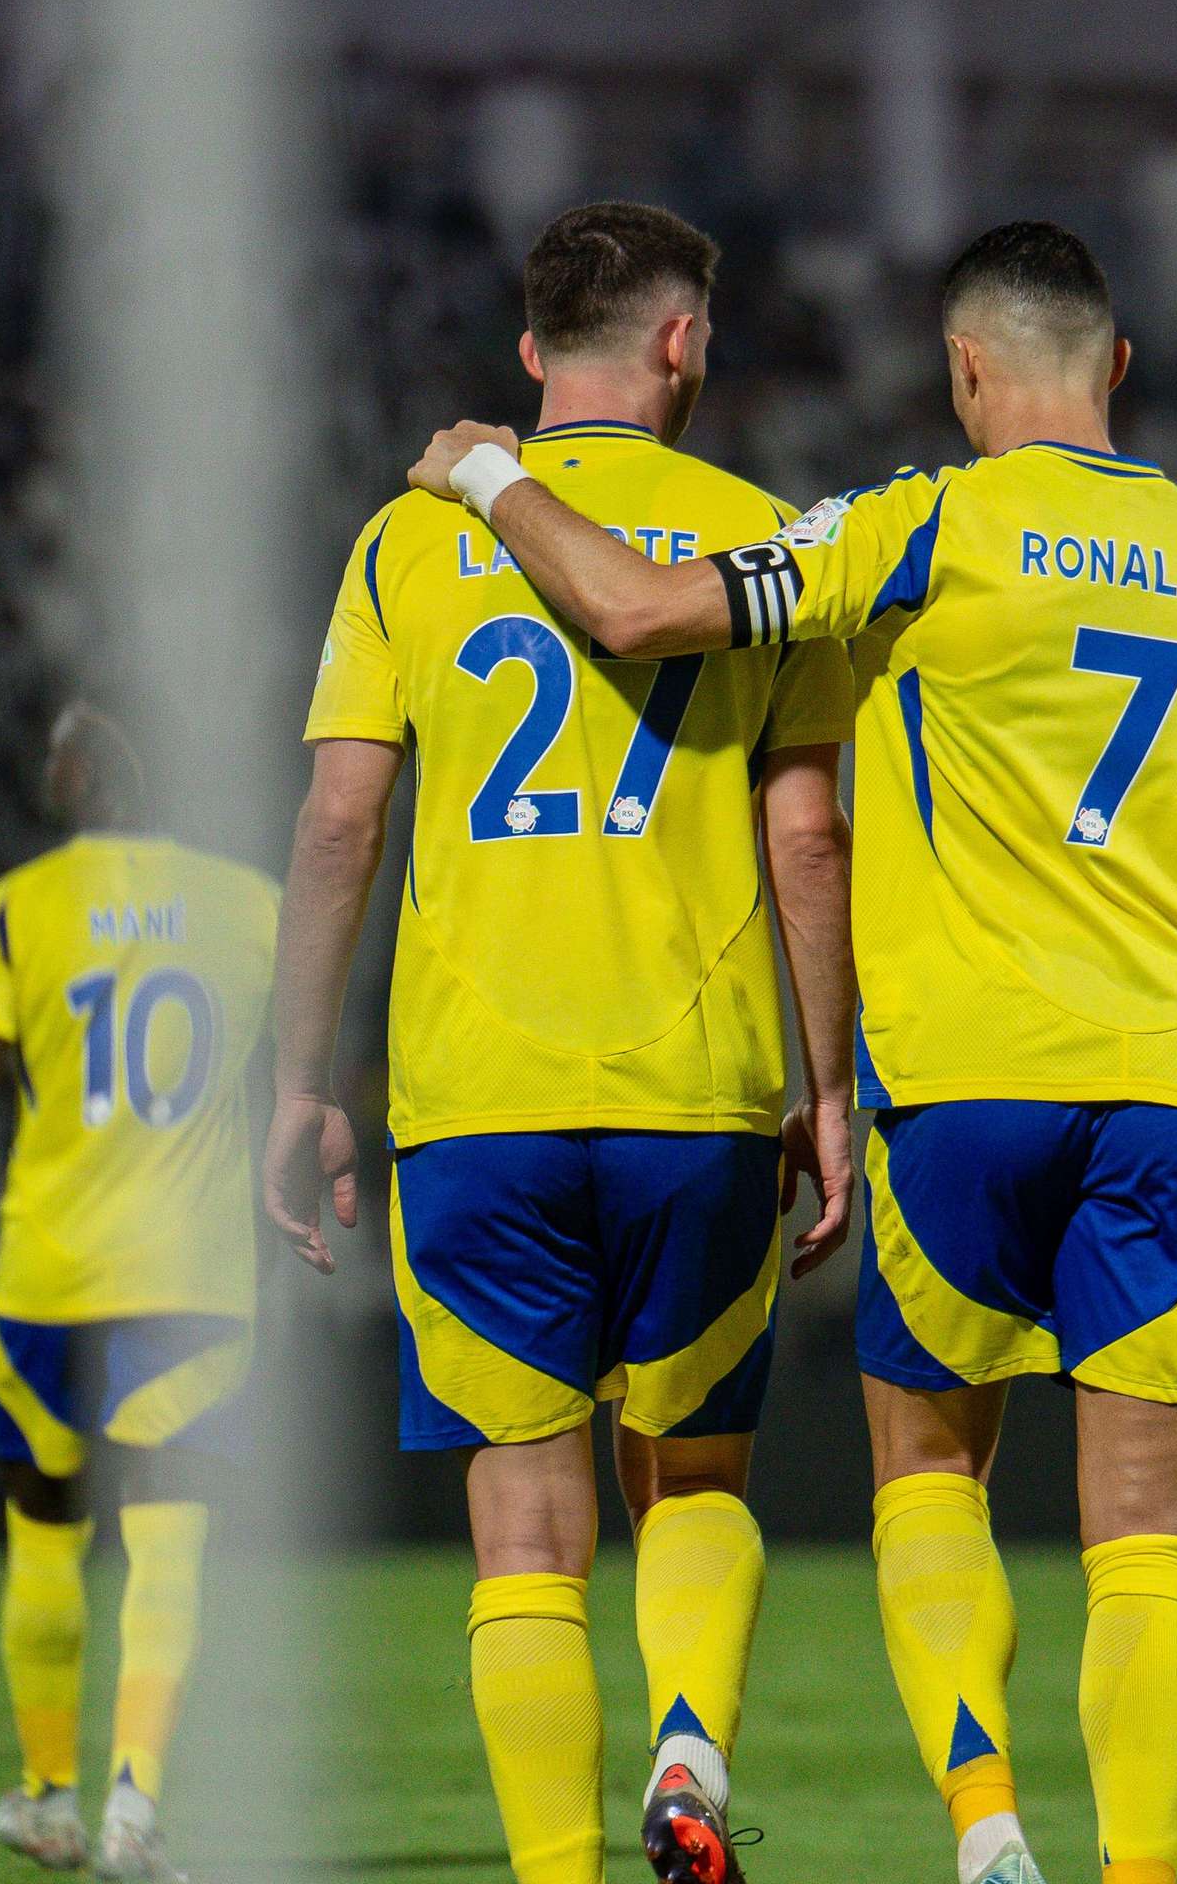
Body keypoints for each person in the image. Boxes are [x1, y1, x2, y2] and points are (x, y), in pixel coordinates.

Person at [414, 219, 1177, 1884]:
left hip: (961, 1086)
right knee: (1143, 1544)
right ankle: (1137, 1871)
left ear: (963, 368)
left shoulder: (911, 531)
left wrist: (484, 478)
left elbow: (632, 608)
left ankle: (984, 1828)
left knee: (927, 1463)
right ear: (1116, 367)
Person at [273, 202, 859, 1884]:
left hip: (477, 1095)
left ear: (534, 354)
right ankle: (688, 1750)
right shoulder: (766, 539)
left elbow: (334, 825)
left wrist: (303, 1083)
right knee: (692, 1475)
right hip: (698, 1086)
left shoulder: (405, 543)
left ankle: (556, 1867)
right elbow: (807, 839)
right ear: (683, 340)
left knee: (524, 1533)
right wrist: (830, 1090)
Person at [0, 703, 279, 1880]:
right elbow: (305, 1066)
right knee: (170, 1544)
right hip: (194, 1285)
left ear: (80, 777)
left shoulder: (16, 910)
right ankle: (133, 1811)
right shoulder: (250, 907)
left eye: (54, 751)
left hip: (46, 1282)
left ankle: (51, 1794)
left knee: (45, 1538)